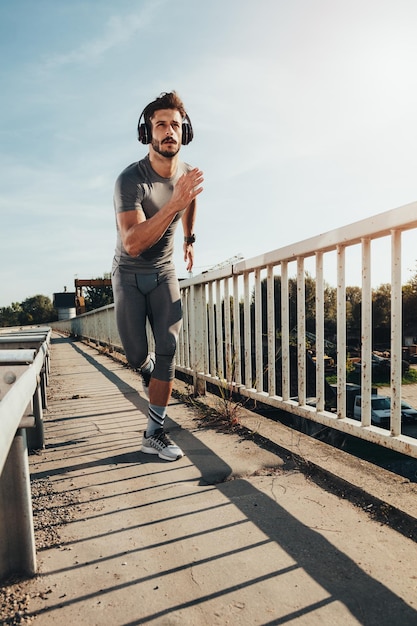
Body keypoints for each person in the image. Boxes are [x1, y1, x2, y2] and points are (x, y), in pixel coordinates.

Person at [112, 91, 203, 462]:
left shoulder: (185, 175)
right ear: (146, 132)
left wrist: (189, 238)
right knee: (137, 355)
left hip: (165, 272)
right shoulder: (129, 180)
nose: (169, 131)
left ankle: (154, 432)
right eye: (161, 124)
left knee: (167, 348)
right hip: (130, 274)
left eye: (175, 125)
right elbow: (132, 243)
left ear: (185, 132)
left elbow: (192, 198)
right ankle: (147, 369)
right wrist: (174, 205)